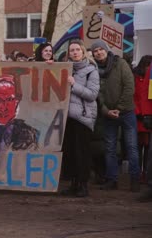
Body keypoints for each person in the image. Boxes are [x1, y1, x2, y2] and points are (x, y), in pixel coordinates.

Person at [91, 39, 140, 192]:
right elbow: (97, 94)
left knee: (131, 147)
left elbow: (129, 86)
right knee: (110, 148)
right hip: (108, 115)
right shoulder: (94, 70)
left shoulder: (121, 64)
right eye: (95, 51)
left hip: (126, 112)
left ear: (106, 50)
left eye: (101, 49)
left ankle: (135, 180)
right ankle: (112, 179)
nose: (99, 53)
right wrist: (106, 111)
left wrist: (119, 108)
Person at [59, 39, 100, 197]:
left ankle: (83, 186)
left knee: (81, 153)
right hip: (66, 117)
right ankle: (73, 185)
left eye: (77, 50)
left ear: (83, 52)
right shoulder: (65, 69)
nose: (74, 52)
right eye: (72, 50)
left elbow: (92, 95)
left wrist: (74, 85)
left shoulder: (91, 70)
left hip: (82, 117)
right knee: (70, 153)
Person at [133, 55, 152, 183]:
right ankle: (139, 173)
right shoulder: (136, 78)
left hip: (146, 117)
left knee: (148, 147)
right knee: (138, 147)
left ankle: (146, 173)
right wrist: (139, 112)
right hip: (138, 117)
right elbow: (134, 96)